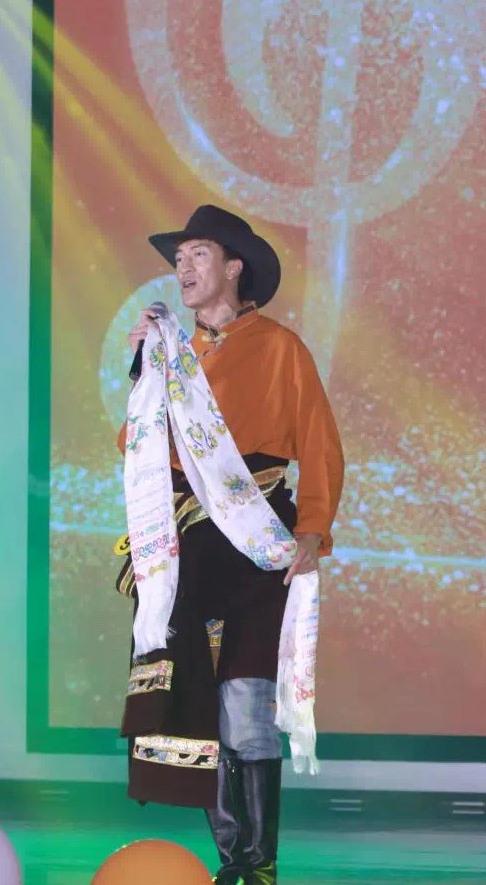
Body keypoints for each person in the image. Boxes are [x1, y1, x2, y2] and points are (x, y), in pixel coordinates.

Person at [115, 205, 345, 885]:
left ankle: (258, 865)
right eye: (178, 258)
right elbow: (134, 446)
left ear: (234, 266)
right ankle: (232, 861)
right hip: (189, 546)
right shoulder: (173, 354)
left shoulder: (279, 349)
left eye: (197, 254)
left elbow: (320, 444)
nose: (182, 267)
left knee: (246, 704)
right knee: (198, 701)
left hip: (255, 540)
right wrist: (142, 371)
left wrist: (313, 529)